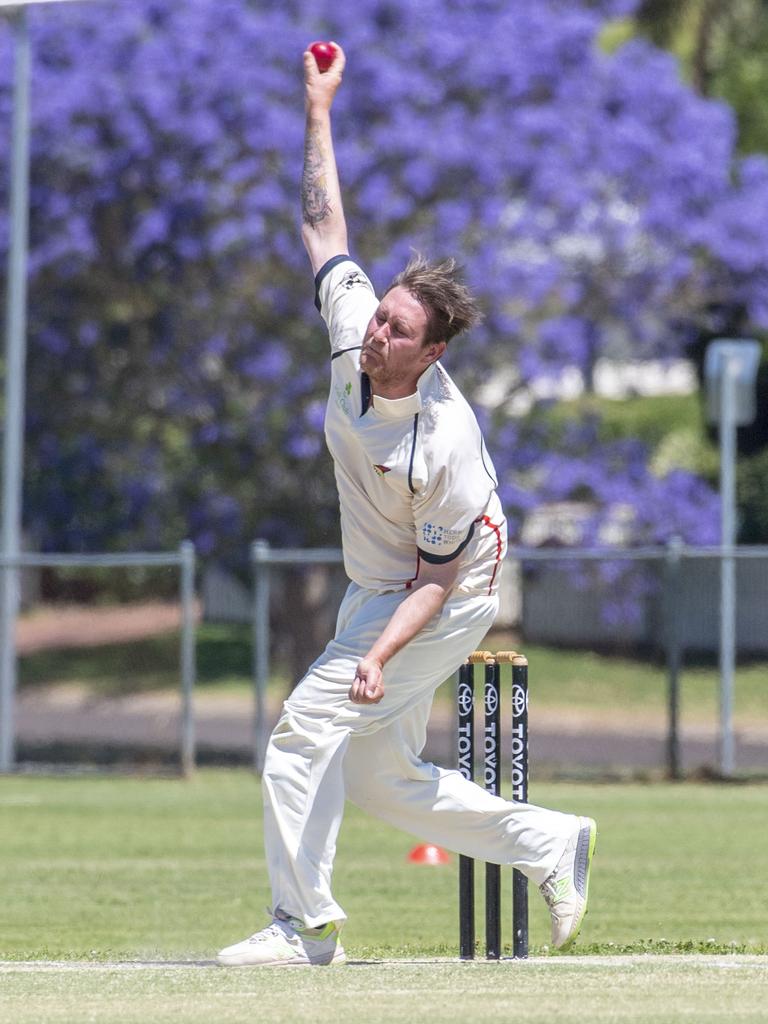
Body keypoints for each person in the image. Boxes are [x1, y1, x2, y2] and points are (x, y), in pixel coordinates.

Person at [217, 43, 596, 968]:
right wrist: (318, 107)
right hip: (379, 581)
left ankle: (303, 926)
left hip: (449, 590)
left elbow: (439, 576)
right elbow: (323, 226)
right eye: (380, 315)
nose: (375, 331)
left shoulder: (444, 441)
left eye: (396, 329)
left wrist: (379, 656)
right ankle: (552, 844)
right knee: (379, 778)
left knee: (304, 729)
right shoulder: (355, 332)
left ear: (430, 356)